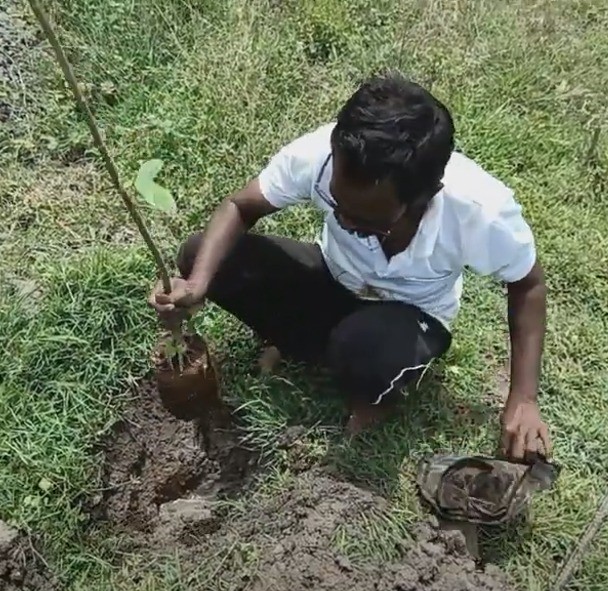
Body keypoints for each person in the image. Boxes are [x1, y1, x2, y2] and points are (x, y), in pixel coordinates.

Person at [148, 71, 551, 460]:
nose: (344, 220)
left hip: (412, 314)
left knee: (364, 350)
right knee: (202, 255)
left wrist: (523, 398)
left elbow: (527, 285)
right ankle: (311, 344)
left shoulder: (478, 211)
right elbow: (241, 206)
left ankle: (372, 395)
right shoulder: (321, 156)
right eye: (338, 204)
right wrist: (197, 284)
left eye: (367, 220)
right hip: (334, 276)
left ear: (423, 197)